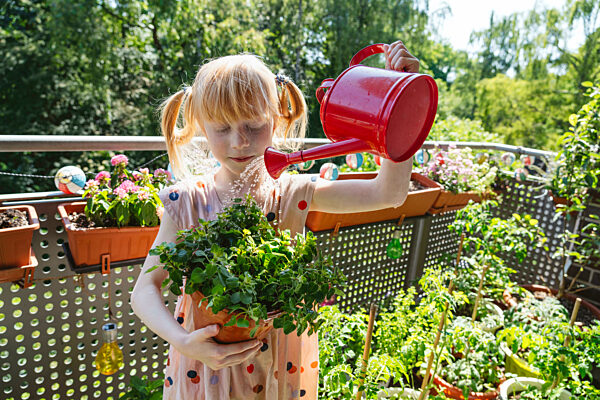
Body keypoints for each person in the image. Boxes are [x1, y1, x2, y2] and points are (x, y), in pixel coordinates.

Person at [130, 40, 419, 400]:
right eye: (222, 128)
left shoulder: (293, 193)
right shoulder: (185, 201)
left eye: (254, 124)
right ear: (201, 126)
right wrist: (185, 342)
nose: (239, 142)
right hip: (205, 370)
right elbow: (144, 290)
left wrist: (400, 102)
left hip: (282, 368)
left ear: (279, 119)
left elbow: (388, 193)